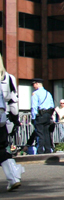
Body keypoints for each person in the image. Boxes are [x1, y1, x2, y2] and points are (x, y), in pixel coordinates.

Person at [0, 54, 23, 191]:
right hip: (5, 117)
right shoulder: (9, 78)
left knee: (1, 150)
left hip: (4, 117)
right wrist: (15, 119)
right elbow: (13, 101)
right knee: (2, 148)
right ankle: (15, 174)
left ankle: (14, 175)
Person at [31, 78, 55, 154]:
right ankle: (48, 149)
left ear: (37, 84)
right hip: (48, 115)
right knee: (47, 133)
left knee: (40, 133)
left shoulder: (35, 94)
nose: (33, 86)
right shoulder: (48, 93)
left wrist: (33, 117)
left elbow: (34, 106)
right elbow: (52, 105)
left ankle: (40, 150)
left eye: (33, 84)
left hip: (40, 115)